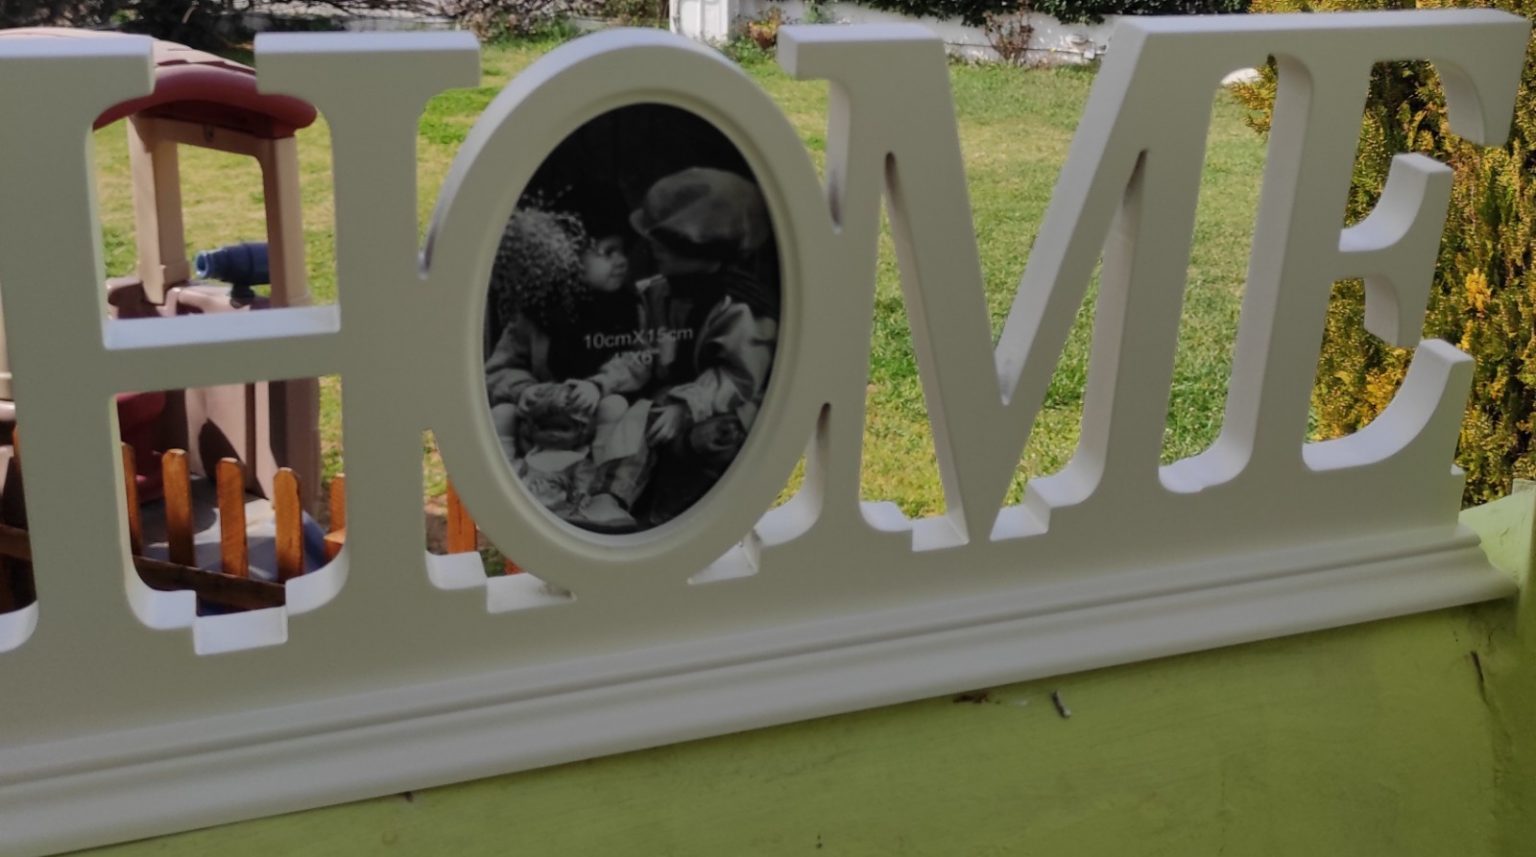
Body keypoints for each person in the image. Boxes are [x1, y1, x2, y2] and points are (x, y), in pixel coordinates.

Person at [483, 191, 651, 529]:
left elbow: (640, 359)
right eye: (608, 252)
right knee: (501, 415)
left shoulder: (629, 309)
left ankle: (606, 495)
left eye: (622, 251)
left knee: (621, 408)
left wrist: (599, 385)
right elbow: (498, 369)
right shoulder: (536, 315)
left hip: (597, 425)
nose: (621, 261)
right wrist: (524, 390)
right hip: (543, 423)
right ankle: (516, 487)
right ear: (571, 260)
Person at [624, 167, 779, 526]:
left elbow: (740, 377)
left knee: (707, 448)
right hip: (663, 401)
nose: (653, 246)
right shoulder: (656, 292)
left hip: (727, 409)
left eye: (669, 241)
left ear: (706, 250)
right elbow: (642, 349)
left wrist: (686, 406)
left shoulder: (741, 309)